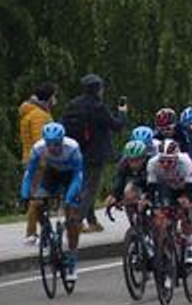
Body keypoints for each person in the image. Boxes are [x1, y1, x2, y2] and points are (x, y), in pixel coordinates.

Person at [19, 122, 85, 284]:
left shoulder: (73, 147)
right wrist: (24, 195)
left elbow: (78, 175)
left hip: (72, 177)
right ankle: (47, 233)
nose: (53, 148)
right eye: (49, 144)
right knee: (38, 203)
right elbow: (29, 174)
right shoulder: (38, 148)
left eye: (56, 144)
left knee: (72, 218)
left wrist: (69, 199)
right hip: (52, 174)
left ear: (62, 141)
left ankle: (72, 259)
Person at [60, 74, 125, 233]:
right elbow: (117, 126)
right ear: (98, 89)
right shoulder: (98, 107)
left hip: (75, 151)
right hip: (94, 153)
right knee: (90, 188)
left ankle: (92, 221)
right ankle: (76, 221)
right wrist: (123, 112)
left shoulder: (73, 104)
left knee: (82, 185)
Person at [17, 81, 56, 242]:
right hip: (39, 161)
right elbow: (40, 141)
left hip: (29, 158)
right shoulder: (39, 115)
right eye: (54, 96)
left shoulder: (32, 112)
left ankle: (46, 229)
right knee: (38, 198)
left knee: (40, 197)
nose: (55, 99)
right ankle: (31, 232)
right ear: (48, 98)